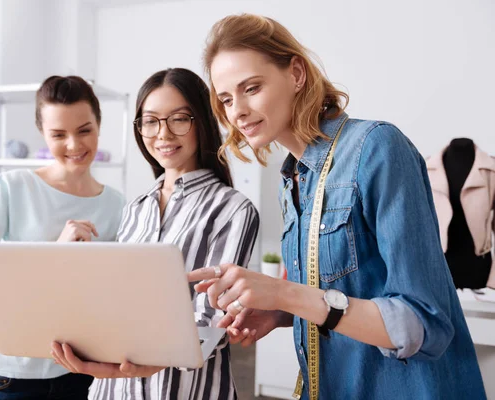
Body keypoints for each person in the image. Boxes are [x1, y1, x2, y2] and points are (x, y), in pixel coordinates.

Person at [188, 14, 486, 399]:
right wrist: (281, 314)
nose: (237, 111)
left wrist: (284, 295)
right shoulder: (293, 180)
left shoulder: (377, 148)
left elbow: (423, 323)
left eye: (252, 88)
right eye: (226, 99)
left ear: (296, 73)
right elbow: (346, 291)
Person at [50, 68, 260, 399]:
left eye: (178, 119)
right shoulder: (136, 208)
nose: (162, 134)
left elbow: (213, 320)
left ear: (201, 122)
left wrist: (151, 357)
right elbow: (118, 302)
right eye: (150, 121)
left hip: (186, 390)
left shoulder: (233, 209)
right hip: (116, 389)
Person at [0, 75, 126, 400]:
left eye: (84, 130)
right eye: (58, 134)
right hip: (11, 375)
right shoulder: (13, 188)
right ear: (42, 133)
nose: (74, 145)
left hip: (81, 372)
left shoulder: (116, 205)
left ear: (99, 124)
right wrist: (55, 253)